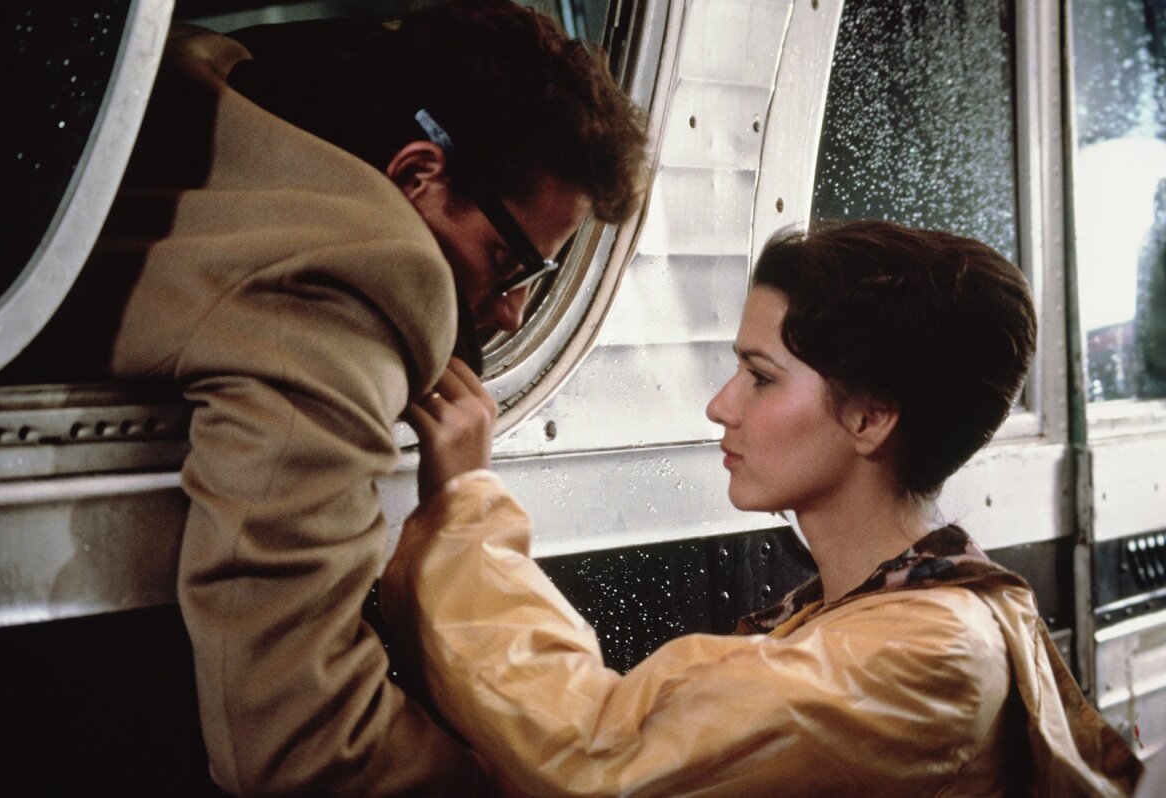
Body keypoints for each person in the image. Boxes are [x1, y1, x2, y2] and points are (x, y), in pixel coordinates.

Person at [0, 2, 644, 795]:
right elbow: (300, 739)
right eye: (509, 265)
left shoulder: (199, 77)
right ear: (416, 174)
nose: (512, 315)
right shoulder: (365, 281)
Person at [383, 220, 1144, 796]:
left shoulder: (931, 655)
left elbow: (595, 753)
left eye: (761, 377)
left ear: (870, 418)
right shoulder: (864, 614)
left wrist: (466, 504)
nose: (721, 406)